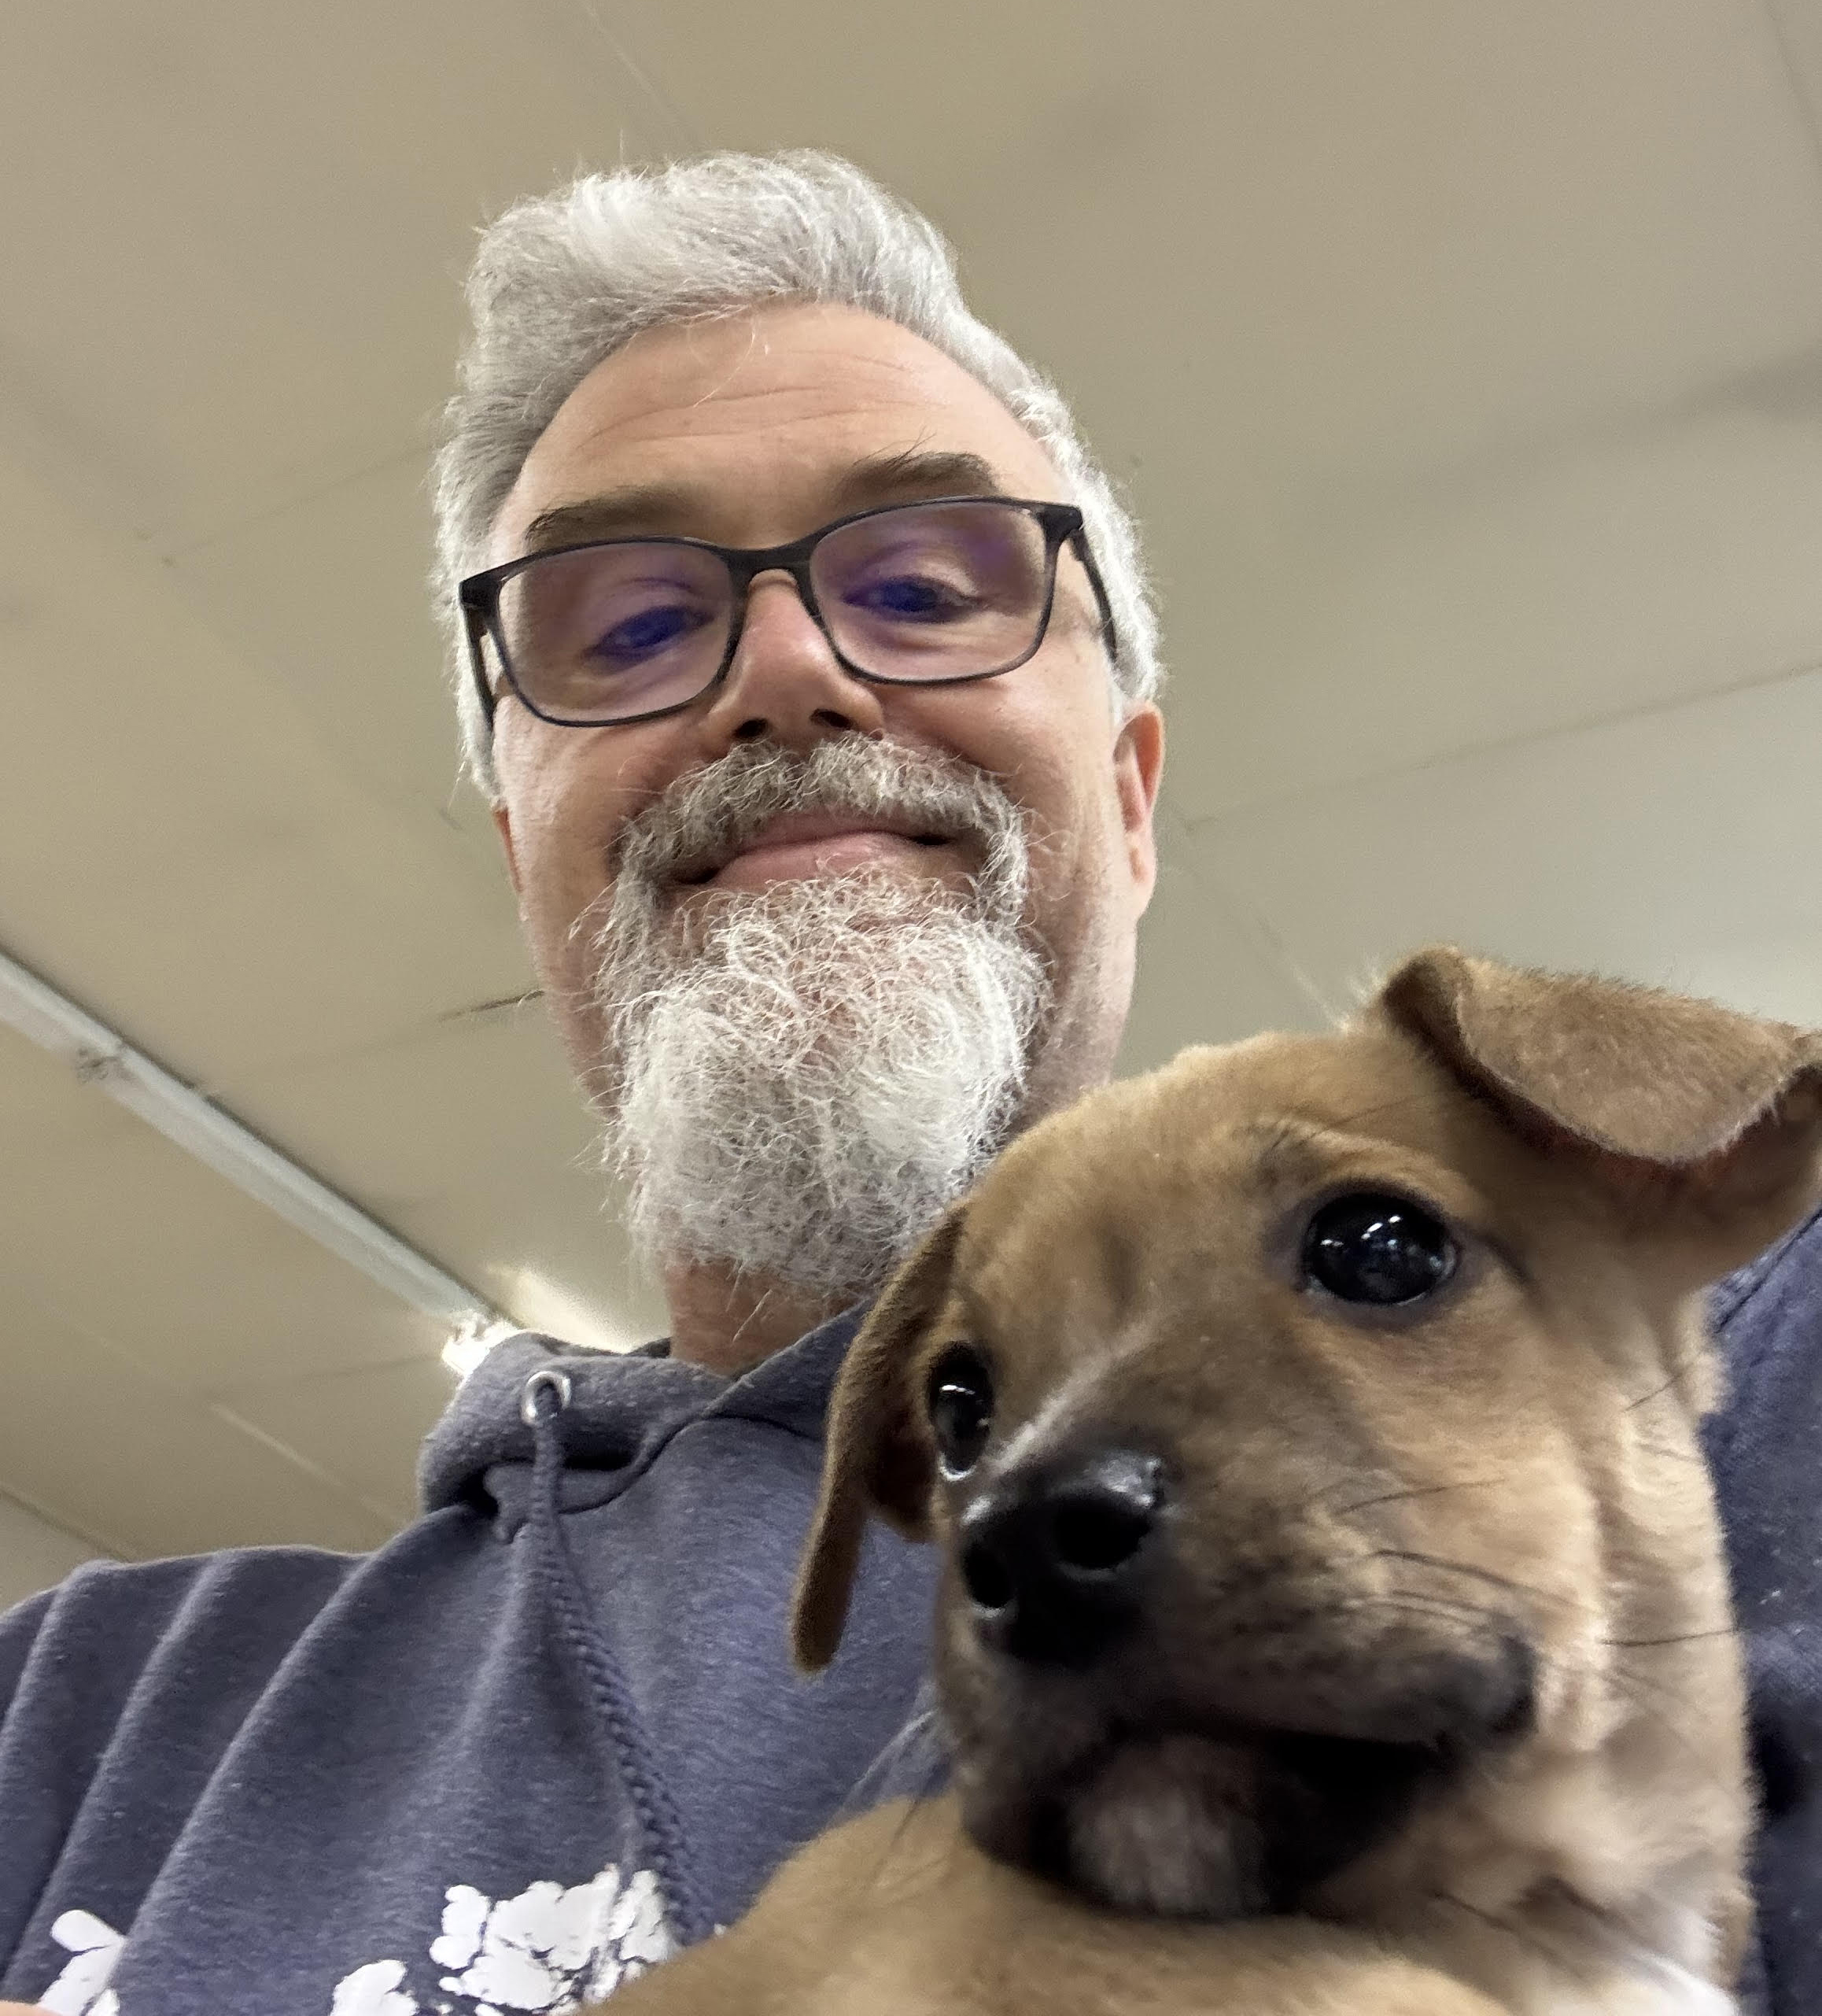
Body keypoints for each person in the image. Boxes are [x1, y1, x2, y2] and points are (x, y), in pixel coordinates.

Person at [0, 152, 1812, 2016]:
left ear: (1126, 785)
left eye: (928, 584)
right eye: (626, 629)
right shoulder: (80, 1712)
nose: (785, 674)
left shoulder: (1736, 1340)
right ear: (523, 847)